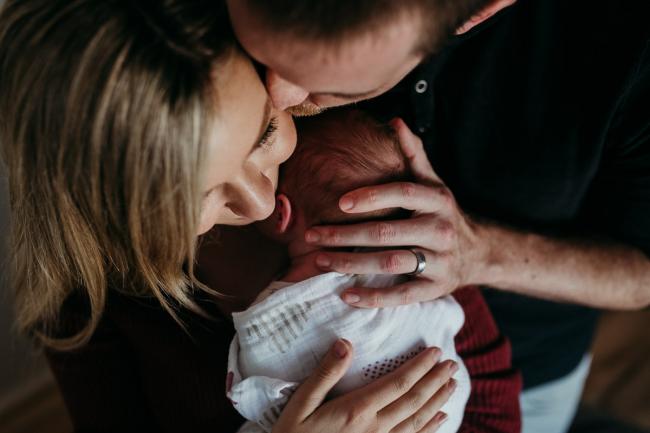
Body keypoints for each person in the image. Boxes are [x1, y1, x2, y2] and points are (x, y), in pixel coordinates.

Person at [0, 1, 462, 432]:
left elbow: (493, 393)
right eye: (196, 197)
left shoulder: (345, 161)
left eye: (264, 134)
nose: (261, 202)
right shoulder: (89, 305)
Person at [225, 1, 650, 432]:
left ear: (474, 15)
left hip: (531, 370)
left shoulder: (629, 42)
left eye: (331, 86)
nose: (276, 97)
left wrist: (480, 254)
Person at [228, 108, 471, 433]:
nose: (258, 200)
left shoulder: (426, 257)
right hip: (448, 408)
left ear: (281, 214)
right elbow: (446, 318)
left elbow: (258, 377)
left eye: (268, 132)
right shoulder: (405, 270)